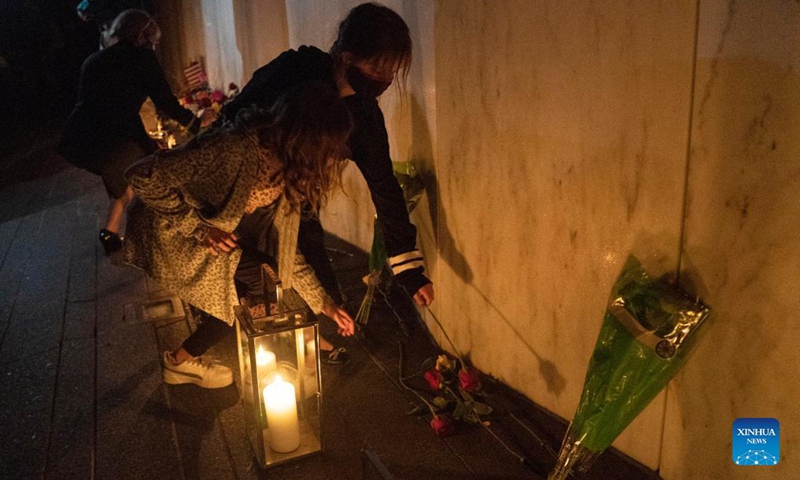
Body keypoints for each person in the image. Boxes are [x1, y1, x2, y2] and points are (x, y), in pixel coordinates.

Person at [220, 3, 434, 358]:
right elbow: (233, 121)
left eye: (392, 71)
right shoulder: (294, 71)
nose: (386, 80)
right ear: (347, 57)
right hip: (243, 193)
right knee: (250, 276)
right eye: (379, 68)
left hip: (296, 202)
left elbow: (385, 188)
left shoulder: (364, 117)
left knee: (316, 281)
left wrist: (410, 272)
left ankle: (304, 337)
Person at [123, 83, 356, 388]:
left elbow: (288, 256)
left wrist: (326, 304)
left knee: (252, 285)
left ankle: (180, 360)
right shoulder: (234, 150)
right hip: (170, 231)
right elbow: (141, 175)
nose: (332, 160)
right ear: (306, 138)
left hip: (213, 236)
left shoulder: (286, 170)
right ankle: (182, 363)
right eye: (329, 149)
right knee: (244, 288)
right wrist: (200, 228)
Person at [58, 9, 213, 255]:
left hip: (79, 138)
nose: (153, 47)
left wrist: (148, 142)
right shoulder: (141, 58)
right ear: (142, 36)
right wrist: (197, 125)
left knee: (127, 181)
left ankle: (110, 234)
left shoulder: (94, 59)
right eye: (152, 41)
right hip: (111, 141)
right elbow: (165, 102)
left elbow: (111, 109)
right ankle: (158, 237)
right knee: (143, 178)